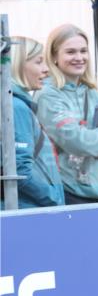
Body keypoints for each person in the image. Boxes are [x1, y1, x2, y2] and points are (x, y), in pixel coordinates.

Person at [37, 24, 98, 204]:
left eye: (83, 51)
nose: (79, 58)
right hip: (71, 194)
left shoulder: (92, 93)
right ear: (54, 56)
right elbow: (76, 141)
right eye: (70, 52)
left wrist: (94, 139)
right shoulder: (48, 94)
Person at [4, 37, 64, 209]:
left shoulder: (15, 105)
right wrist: (54, 199)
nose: (46, 69)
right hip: (29, 210)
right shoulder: (17, 108)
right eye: (39, 62)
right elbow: (20, 171)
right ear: (17, 65)